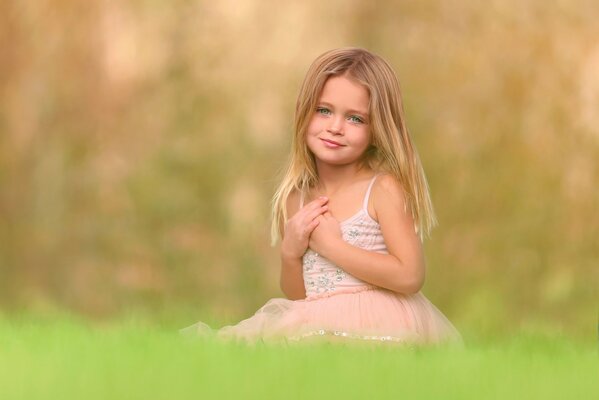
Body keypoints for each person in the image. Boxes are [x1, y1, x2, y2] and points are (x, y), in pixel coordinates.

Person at [181, 47, 462, 346]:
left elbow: (409, 276)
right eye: (324, 110)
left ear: (377, 129)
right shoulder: (296, 198)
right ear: (305, 111)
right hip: (316, 325)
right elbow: (300, 296)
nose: (335, 127)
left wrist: (332, 246)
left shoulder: (381, 190)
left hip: (381, 322)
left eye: (355, 118)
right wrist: (290, 253)